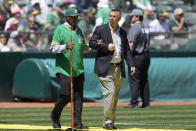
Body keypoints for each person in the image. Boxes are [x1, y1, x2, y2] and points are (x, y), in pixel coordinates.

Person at [89, 8, 135, 129]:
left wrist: (132, 65)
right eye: (110, 16)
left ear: (119, 18)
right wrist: (105, 46)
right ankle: (107, 122)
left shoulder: (123, 32)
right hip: (105, 67)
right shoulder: (100, 29)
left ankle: (111, 122)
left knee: (114, 96)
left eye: (114, 16)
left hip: (118, 68)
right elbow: (91, 43)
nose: (111, 18)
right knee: (110, 93)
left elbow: (127, 51)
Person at [50, 8, 89, 129]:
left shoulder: (80, 31)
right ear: (67, 17)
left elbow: (84, 48)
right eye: (73, 17)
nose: (75, 19)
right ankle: (55, 116)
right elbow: (52, 49)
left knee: (78, 97)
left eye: (77, 17)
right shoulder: (60, 29)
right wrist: (65, 46)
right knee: (66, 95)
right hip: (65, 69)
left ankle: (77, 122)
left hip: (78, 69)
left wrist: (94, 46)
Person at [126, 9, 150, 108]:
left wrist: (128, 57)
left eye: (132, 16)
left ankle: (134, 102)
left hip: (137, 56)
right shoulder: (147, 26)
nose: (131, 18)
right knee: (144, 79)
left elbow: (131, 44)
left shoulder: (135, 27)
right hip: (146, 55)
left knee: (134, 79)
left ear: (137, 17)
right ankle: (146, 103)